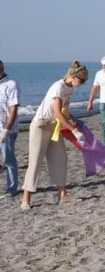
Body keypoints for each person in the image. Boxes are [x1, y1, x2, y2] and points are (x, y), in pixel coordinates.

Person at [21, 61, 89, 210]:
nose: (83, 83)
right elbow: (57, 113)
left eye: (85, 81)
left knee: (60, 158)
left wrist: (75, 121)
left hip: (54, 126)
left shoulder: (69, 89)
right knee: (36, 161)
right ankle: (26, 198)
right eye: (82, 80)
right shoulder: (58, 87)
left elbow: (64, 111)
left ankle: (62, 194)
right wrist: (73, 130)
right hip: (41, 125)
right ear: (73, 76)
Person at [0, 60, 20, 198]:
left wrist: (6, 130)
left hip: (7, 128)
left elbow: (13, 109)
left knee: (8, 158)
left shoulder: (11, 85)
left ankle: (12, 188)